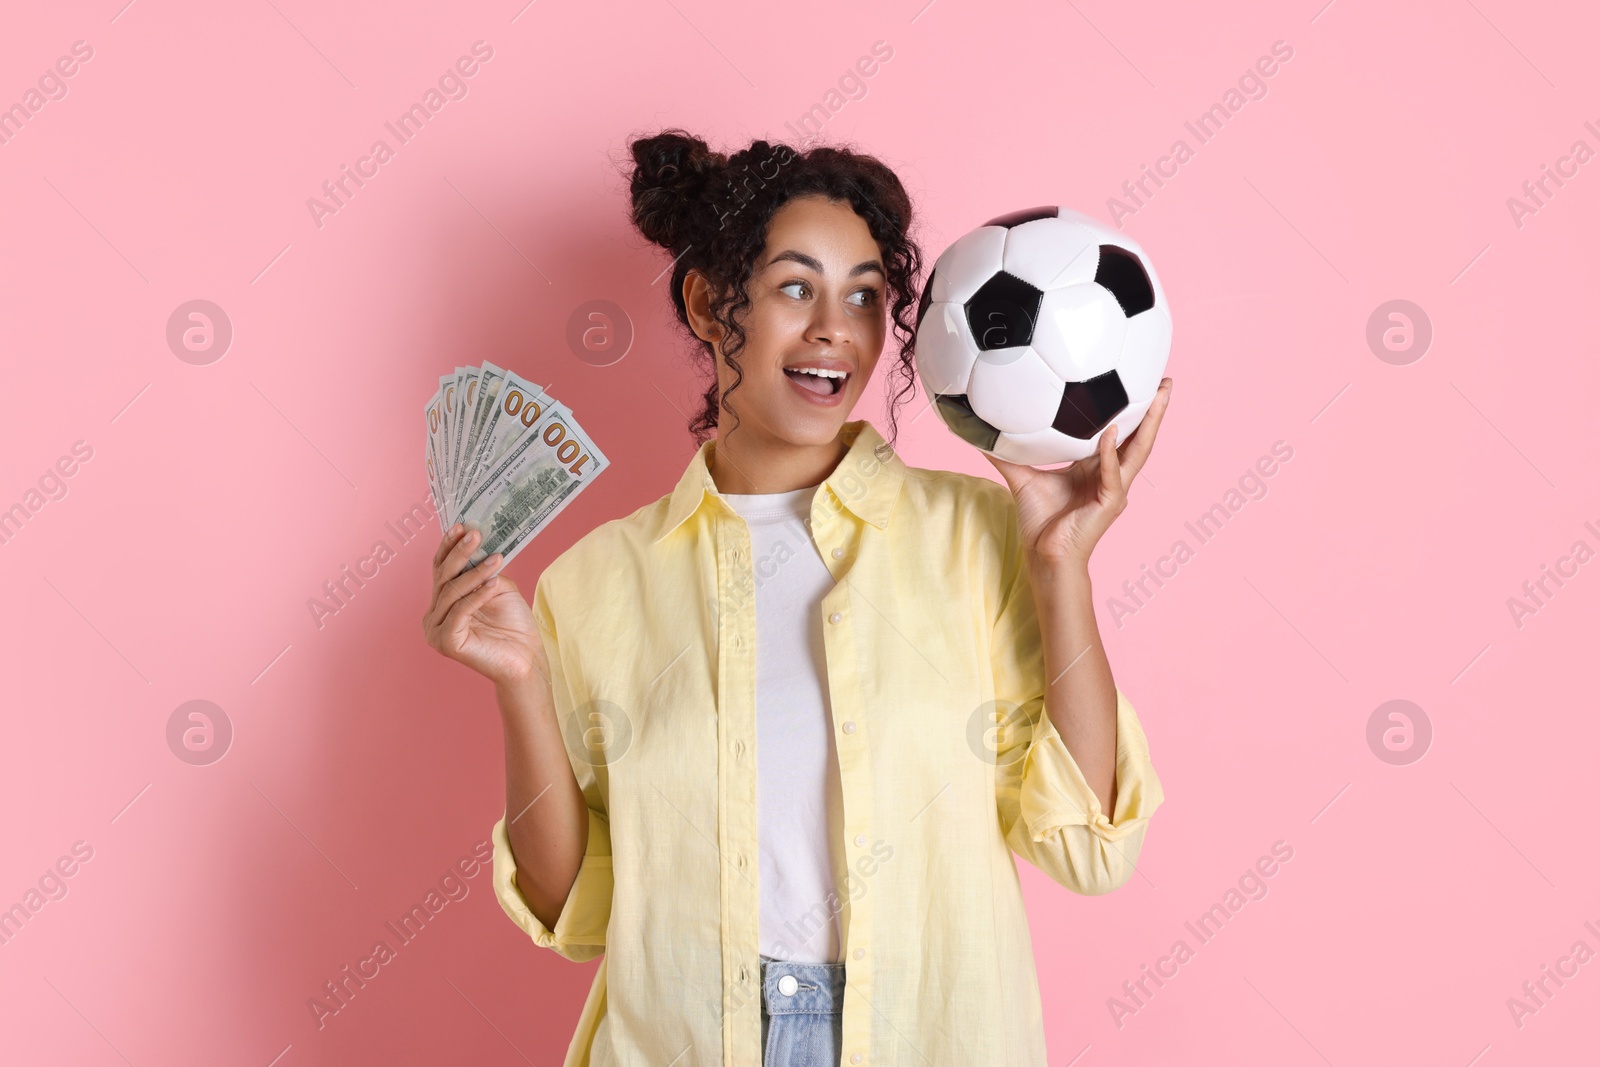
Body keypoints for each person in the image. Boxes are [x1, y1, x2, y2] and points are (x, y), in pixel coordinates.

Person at [423, 129, 1172, 1067]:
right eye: (794, 287)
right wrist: (519, 680)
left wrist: (1062, 567)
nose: (835, 329)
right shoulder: (597, 582)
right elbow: (574, 905)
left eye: (864, 295)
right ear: (707, 303)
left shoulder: (974, 536)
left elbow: (1091, 849)